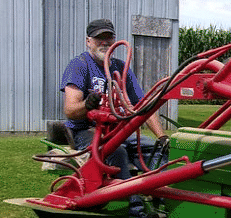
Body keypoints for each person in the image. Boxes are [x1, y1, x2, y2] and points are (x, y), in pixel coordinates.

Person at [60, 18, 166, 180]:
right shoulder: (79, 65)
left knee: (154, 149)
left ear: (114, 40)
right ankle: (134, 201)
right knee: (116, 151)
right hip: (85, 131)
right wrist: (88, 105)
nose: (104, 42)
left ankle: (159, 192)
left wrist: (161, 137)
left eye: (108, 38)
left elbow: (143, 105)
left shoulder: (121, 68)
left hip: (117, 130)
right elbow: (70, 110)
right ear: (88, 41)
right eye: (98, 38)